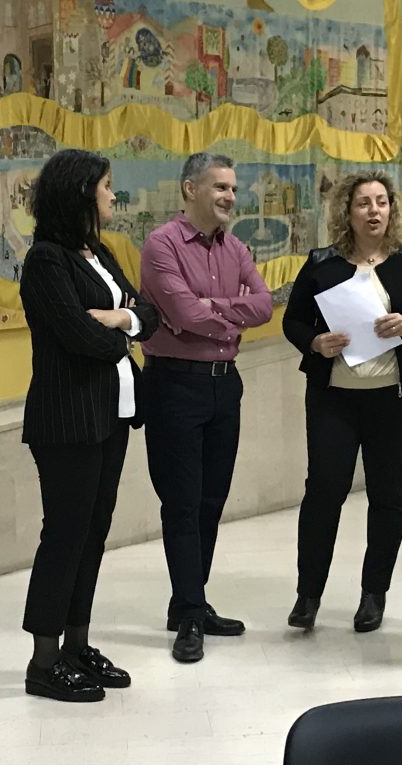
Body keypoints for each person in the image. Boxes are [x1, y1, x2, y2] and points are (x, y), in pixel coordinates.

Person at [19, 149, 160, 702]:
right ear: (80, 192)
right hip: (67, 418)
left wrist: (122, 317)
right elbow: (76, 337)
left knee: (93, 534)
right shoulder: (46, 260)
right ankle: (43, 661)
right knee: (65, 535)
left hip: (111, 414)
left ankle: (77, 646)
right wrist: (122, 333)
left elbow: (149, 313)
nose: (112, 195)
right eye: (105, 186)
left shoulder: (97, 252)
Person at [282, 170, 402, 632]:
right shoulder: (322, 263)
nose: (374, 211)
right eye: (364, 203)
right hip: (334, 400)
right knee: (323, 492)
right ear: (347, 211)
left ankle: (374, 594)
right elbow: (293, 322)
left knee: (388, 494)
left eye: (382, 202)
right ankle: (308, 594)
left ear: (392, 209)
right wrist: (315, 342)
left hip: (395, 398)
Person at [139, 152, 273, 663]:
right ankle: (191, 614)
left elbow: (263, 306)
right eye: (220, 187)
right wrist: (225, 314)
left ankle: (188, 603)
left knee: (212, 500)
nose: (230, 197)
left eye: (233, 189)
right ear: (190, 189)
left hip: (224, 386)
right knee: (182, 502)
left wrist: (212, 309)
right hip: (174, 385)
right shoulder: (162, 244)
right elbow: (181, 312)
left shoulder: (235, 247)